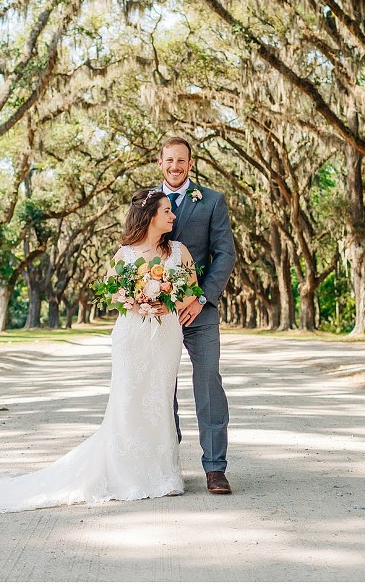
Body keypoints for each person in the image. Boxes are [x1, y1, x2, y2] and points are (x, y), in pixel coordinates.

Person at [0, 188, 194, 513]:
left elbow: (190, 291)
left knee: (159, 399)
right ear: (150, 216)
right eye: (167, 211)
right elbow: (110, 294)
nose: (173, 216)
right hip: (132, 335)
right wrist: (138, 302)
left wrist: (166, 301)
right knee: (128, 400)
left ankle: (163, 476)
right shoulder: (126, 254)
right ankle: (128, 475)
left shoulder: (179, 251)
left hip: (166, 337)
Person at [158, 136, 237, 495]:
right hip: (157, 314)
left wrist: (201, 298)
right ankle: (166, 462)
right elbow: (133, 246)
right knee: (161, 387)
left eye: (182, 161)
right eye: (169, 160)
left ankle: (215, 468)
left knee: (207, 383)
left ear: (191, 164)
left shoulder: (212, 201)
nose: (175, 166)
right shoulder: (145, 201)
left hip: (200, 310)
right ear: (160, 163)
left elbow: (224, 255)